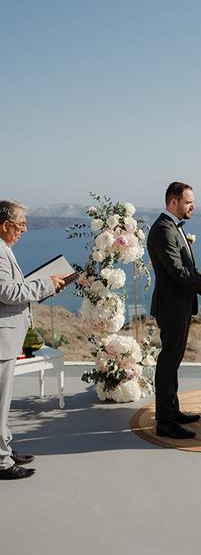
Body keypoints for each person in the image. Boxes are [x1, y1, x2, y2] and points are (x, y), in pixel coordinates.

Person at [147, 182, 201, 440]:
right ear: (173, 202)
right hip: (171, 306)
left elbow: (188, 270)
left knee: (174, 360)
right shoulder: (163, 230)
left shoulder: (173, 228)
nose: (193, 206)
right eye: (188, 202)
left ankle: (173, 411)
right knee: (168, 361)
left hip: (178, 304)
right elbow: (178, 272)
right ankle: (165, 421)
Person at [0, 200, 66, 480]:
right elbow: (6, 292)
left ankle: (4, 448)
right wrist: (46, 284)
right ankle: (1, 462)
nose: (25, 230)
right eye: (21, 224)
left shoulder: (5, 249)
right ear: (5, 225)